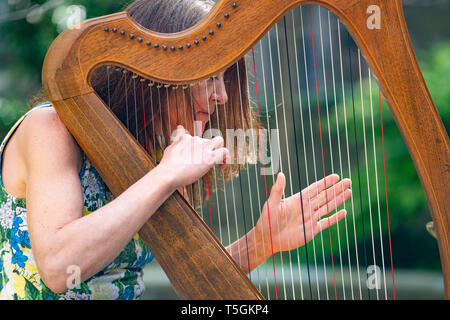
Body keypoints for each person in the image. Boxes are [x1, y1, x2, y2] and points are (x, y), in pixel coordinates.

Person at [0, 0, 351, 300]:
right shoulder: (51, 129)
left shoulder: (158, 154)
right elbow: (60, 269)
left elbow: (195, 281)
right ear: (156, 71)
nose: (222, 96)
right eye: (211, 76)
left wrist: (262, 240)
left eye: (225, 79)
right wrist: (165, 176)